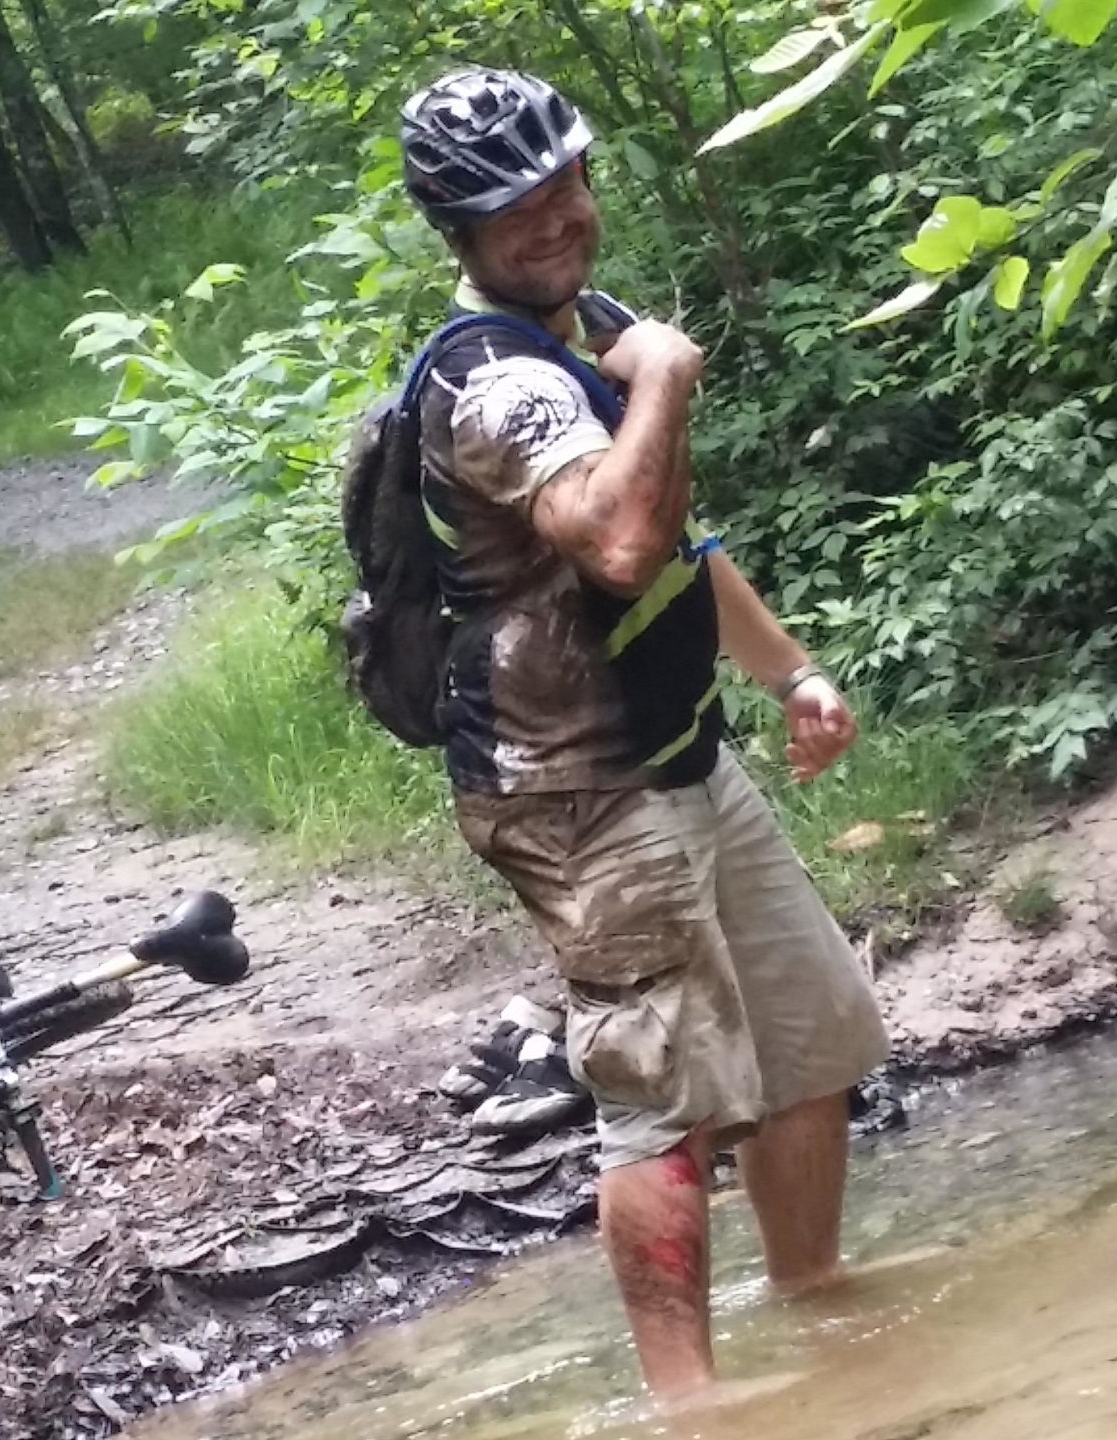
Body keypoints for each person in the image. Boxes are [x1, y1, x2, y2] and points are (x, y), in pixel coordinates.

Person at [395, 67, 892, 1400]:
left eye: (566, 183)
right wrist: (665, 369)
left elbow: (679, 540)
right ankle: (694, 1410)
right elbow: (619, 538)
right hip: (573, 790)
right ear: (461, 228)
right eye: (516, 203)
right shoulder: (496, 385)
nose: (554, 215)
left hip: (678, 753)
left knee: (812, 1038)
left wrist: (790, 676)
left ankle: (816, 1302)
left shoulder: (583, 325)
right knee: (658, 1096)